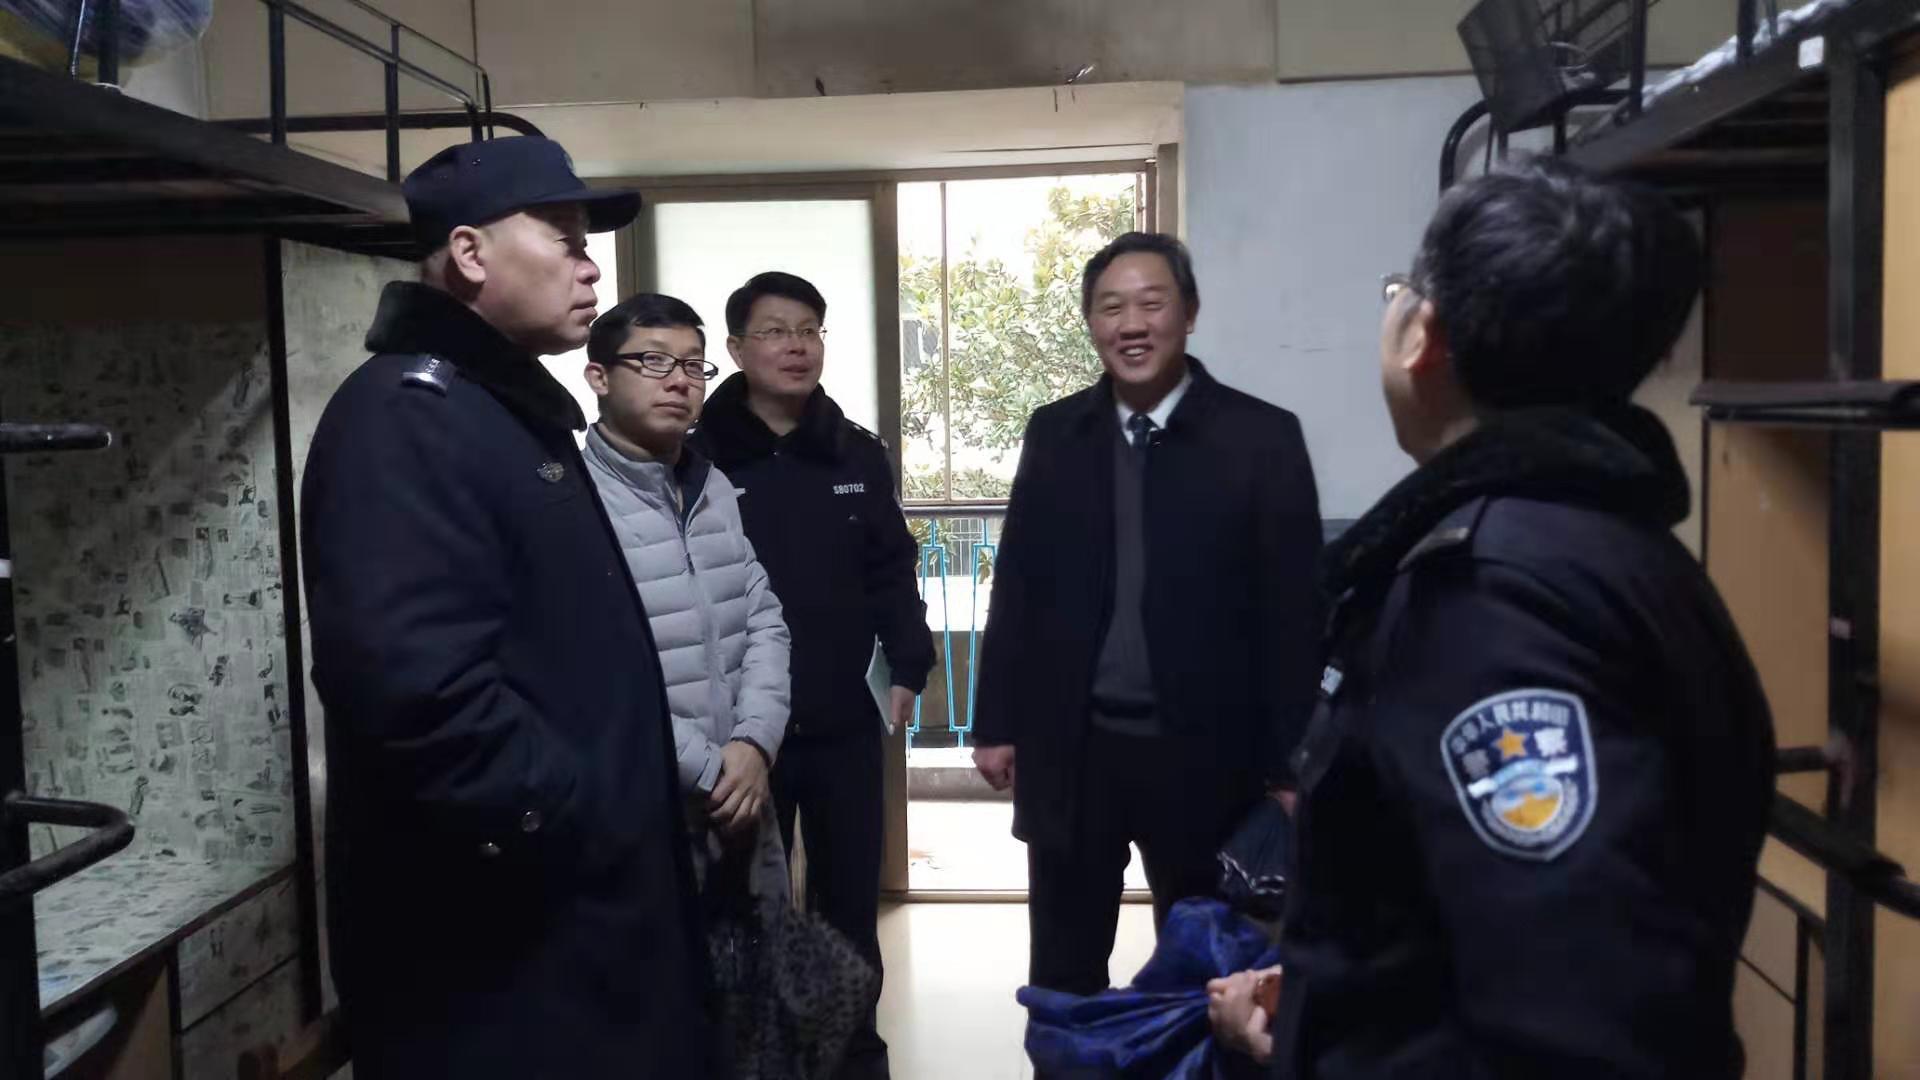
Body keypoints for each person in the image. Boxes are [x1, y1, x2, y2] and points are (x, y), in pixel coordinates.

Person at [1255, 158, 1775, 1077]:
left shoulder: (1494, 598)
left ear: (1423, 335)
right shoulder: (1604, 539)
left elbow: (1580, 1024)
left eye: (1400, 291)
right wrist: (1318, 1011)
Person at [300, 137, 708, 1078]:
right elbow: (413, 690)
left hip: (567, 925)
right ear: (471, 253)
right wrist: (577, 819)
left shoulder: (498, 409)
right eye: (564, 239)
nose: (590, 266)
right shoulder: (409, 414)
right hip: (505, 944)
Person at [970, 232, 1325, 999]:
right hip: (1073, 750)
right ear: (1090, 323)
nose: (1131, 324)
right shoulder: (1055, 433)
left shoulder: (1262, 437)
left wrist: (1292, 765)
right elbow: (1019, 585)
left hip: (1208, 756)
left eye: (1151, 303)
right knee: (1063, 971)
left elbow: (1294, 615)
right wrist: (993, 721)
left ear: (1188, 314)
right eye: (1111, 307)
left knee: (1206, 973)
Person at [692, 270, 935, 1080]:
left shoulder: (855, 451)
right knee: (737, 914)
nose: (796, 346)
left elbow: (891, 569)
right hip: (735, 736)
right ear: (736, 349)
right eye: (774, 331)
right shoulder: (695, 453)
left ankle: (855, 1059)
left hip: (840, 723)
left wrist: (909, 663)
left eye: (809, 330)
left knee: (848, 911)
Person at [580, 292, 792, 909]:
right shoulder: (572, 501)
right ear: (598, 377)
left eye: (693, 365)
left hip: (743, 790)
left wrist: (755, 743)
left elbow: (764, 620)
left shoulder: (712, 485)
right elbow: (591, 671)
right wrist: (711, 769)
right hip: (643, 800)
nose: (679, 381)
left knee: (758, 958)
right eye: (653, 361)